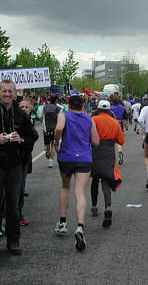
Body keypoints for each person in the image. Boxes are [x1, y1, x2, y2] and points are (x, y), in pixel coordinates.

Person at [0, 80, 35, 256]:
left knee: (13, 204)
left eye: (10, 91)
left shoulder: (20, 114)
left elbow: (32, 136)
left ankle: (13, 239)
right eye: (4, 91)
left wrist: (21, 140)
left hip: (15, 164)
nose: (8, 95)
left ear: (15, 93)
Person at [54, 95, 99, 251]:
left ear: (68, 104)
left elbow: (59, 128)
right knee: (80, 192)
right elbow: (96, 141)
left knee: (65, 187)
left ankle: (63, 222)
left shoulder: (64, 115)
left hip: (66, 157)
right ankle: (80, 226)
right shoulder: (89, 119)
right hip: (84, 158)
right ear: (83, 105)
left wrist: (56, 142)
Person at [90, 100, 124, 227]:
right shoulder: (114, 122)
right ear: (109, 110)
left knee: (94, 179)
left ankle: (94, 206)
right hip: (109, 152)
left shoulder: (93, 119)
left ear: (98, 109)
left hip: (95, 151)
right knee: (106, 181)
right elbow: (121, 140)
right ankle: (108, 206)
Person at [18, 100, 39, 226]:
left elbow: (34, 137)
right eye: (22, 106)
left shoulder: (30, 122)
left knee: (20, 188)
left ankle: (18, 214)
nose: (24, 108)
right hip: (11, 159)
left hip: (25, 158)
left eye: (26, 107)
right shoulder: (13, 118)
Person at [40, 94, 61, 168]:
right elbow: (59, 119)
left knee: (46, 144)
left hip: (46, 129)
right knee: (53, 145)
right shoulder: (58, 108)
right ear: (56, 100)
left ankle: (47, 150)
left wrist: (42, 124)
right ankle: (51, 162)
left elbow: (40, 117)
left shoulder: (45, 107)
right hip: (54, 129)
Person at [110, 94, 128, 165]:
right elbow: (125, 118)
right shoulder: (122, 108)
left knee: (111, 142)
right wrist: (126, 126)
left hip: (112, 125)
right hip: (120, 125)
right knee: (118, 141)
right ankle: (120, 152)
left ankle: (112, 157)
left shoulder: (110, 108)